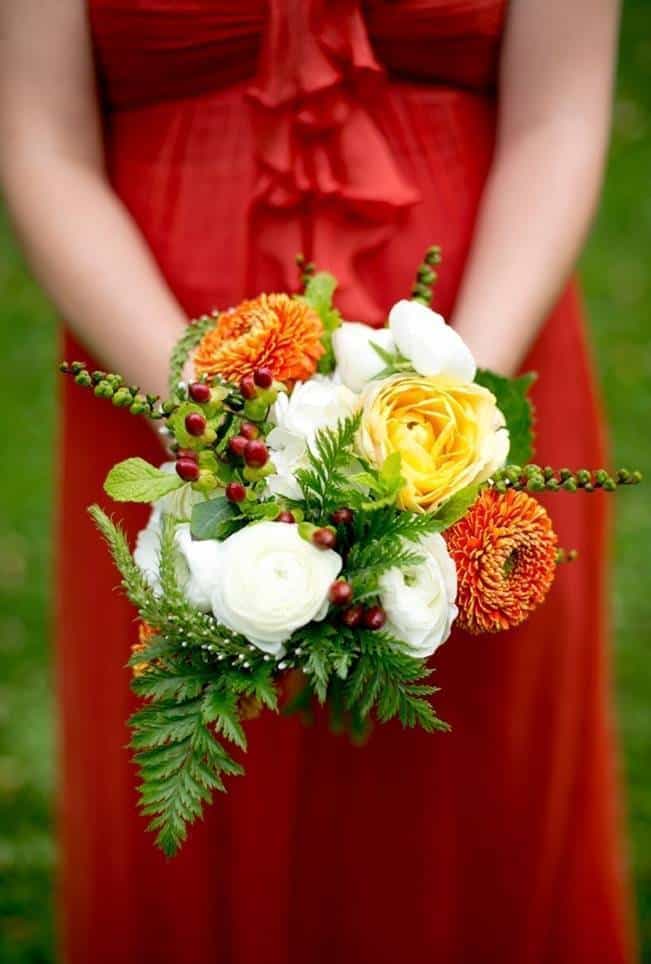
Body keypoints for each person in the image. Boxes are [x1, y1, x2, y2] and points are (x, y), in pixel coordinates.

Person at [0, 1, 635, 961]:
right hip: (157, 366)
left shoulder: (462, 407)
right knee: (199, 770)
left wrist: (447, 432)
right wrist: (207, 419)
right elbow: (41, 138)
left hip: (476, 344)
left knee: (466, 796)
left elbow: (559, 113)